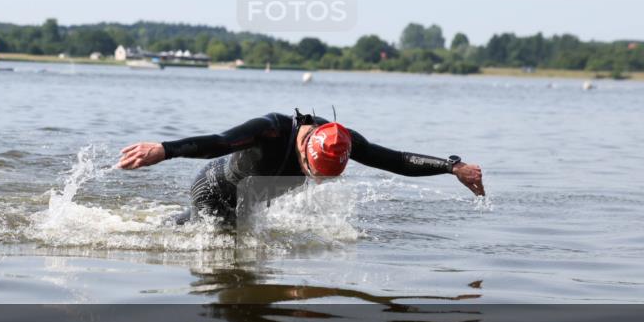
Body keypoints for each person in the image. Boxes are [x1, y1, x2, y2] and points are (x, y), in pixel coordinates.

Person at [117, 110, 485, 227]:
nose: (313, 180)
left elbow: (395, 160)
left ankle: (147, 226)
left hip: (250, 202)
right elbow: (219, 140)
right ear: (307, 149)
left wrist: (452, 167)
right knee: (221, 258)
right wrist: (163, 150)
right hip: (214, 189)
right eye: (312, 172)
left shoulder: (343, 138)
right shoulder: (271, 129)